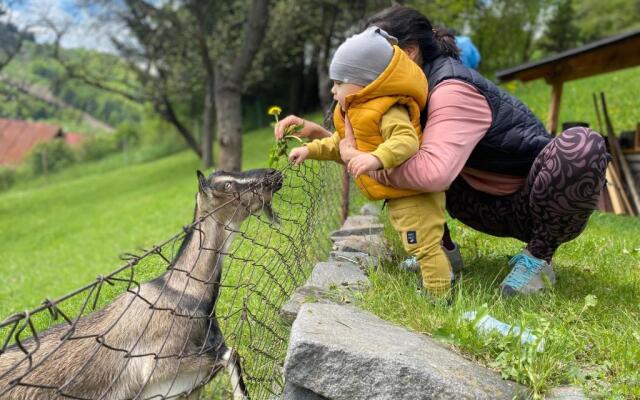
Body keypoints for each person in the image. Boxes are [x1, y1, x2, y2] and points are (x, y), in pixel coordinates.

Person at [275, 5, 609, 297]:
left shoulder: (451, 89)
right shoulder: (405, 98)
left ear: (407, 53)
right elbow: (360, 144)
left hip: (528, 205)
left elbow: (433, 173)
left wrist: (362, 160)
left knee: (583, 145)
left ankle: (537, 259)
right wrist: (313, 134)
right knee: (394, 151)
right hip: (478, 200)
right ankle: (441, 250)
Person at [286, 26, 454, 297]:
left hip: (415, 194)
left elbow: (405, 141)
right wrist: (310, 150)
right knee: (420, 243)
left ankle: (439, 295)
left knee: (423, 245)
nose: (333, 90)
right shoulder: (358, 111)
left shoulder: (388, 109)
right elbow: (339, 145)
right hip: (402, 193)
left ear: (363, 83)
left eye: (339, 83)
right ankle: (440, 275)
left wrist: (375, 158)